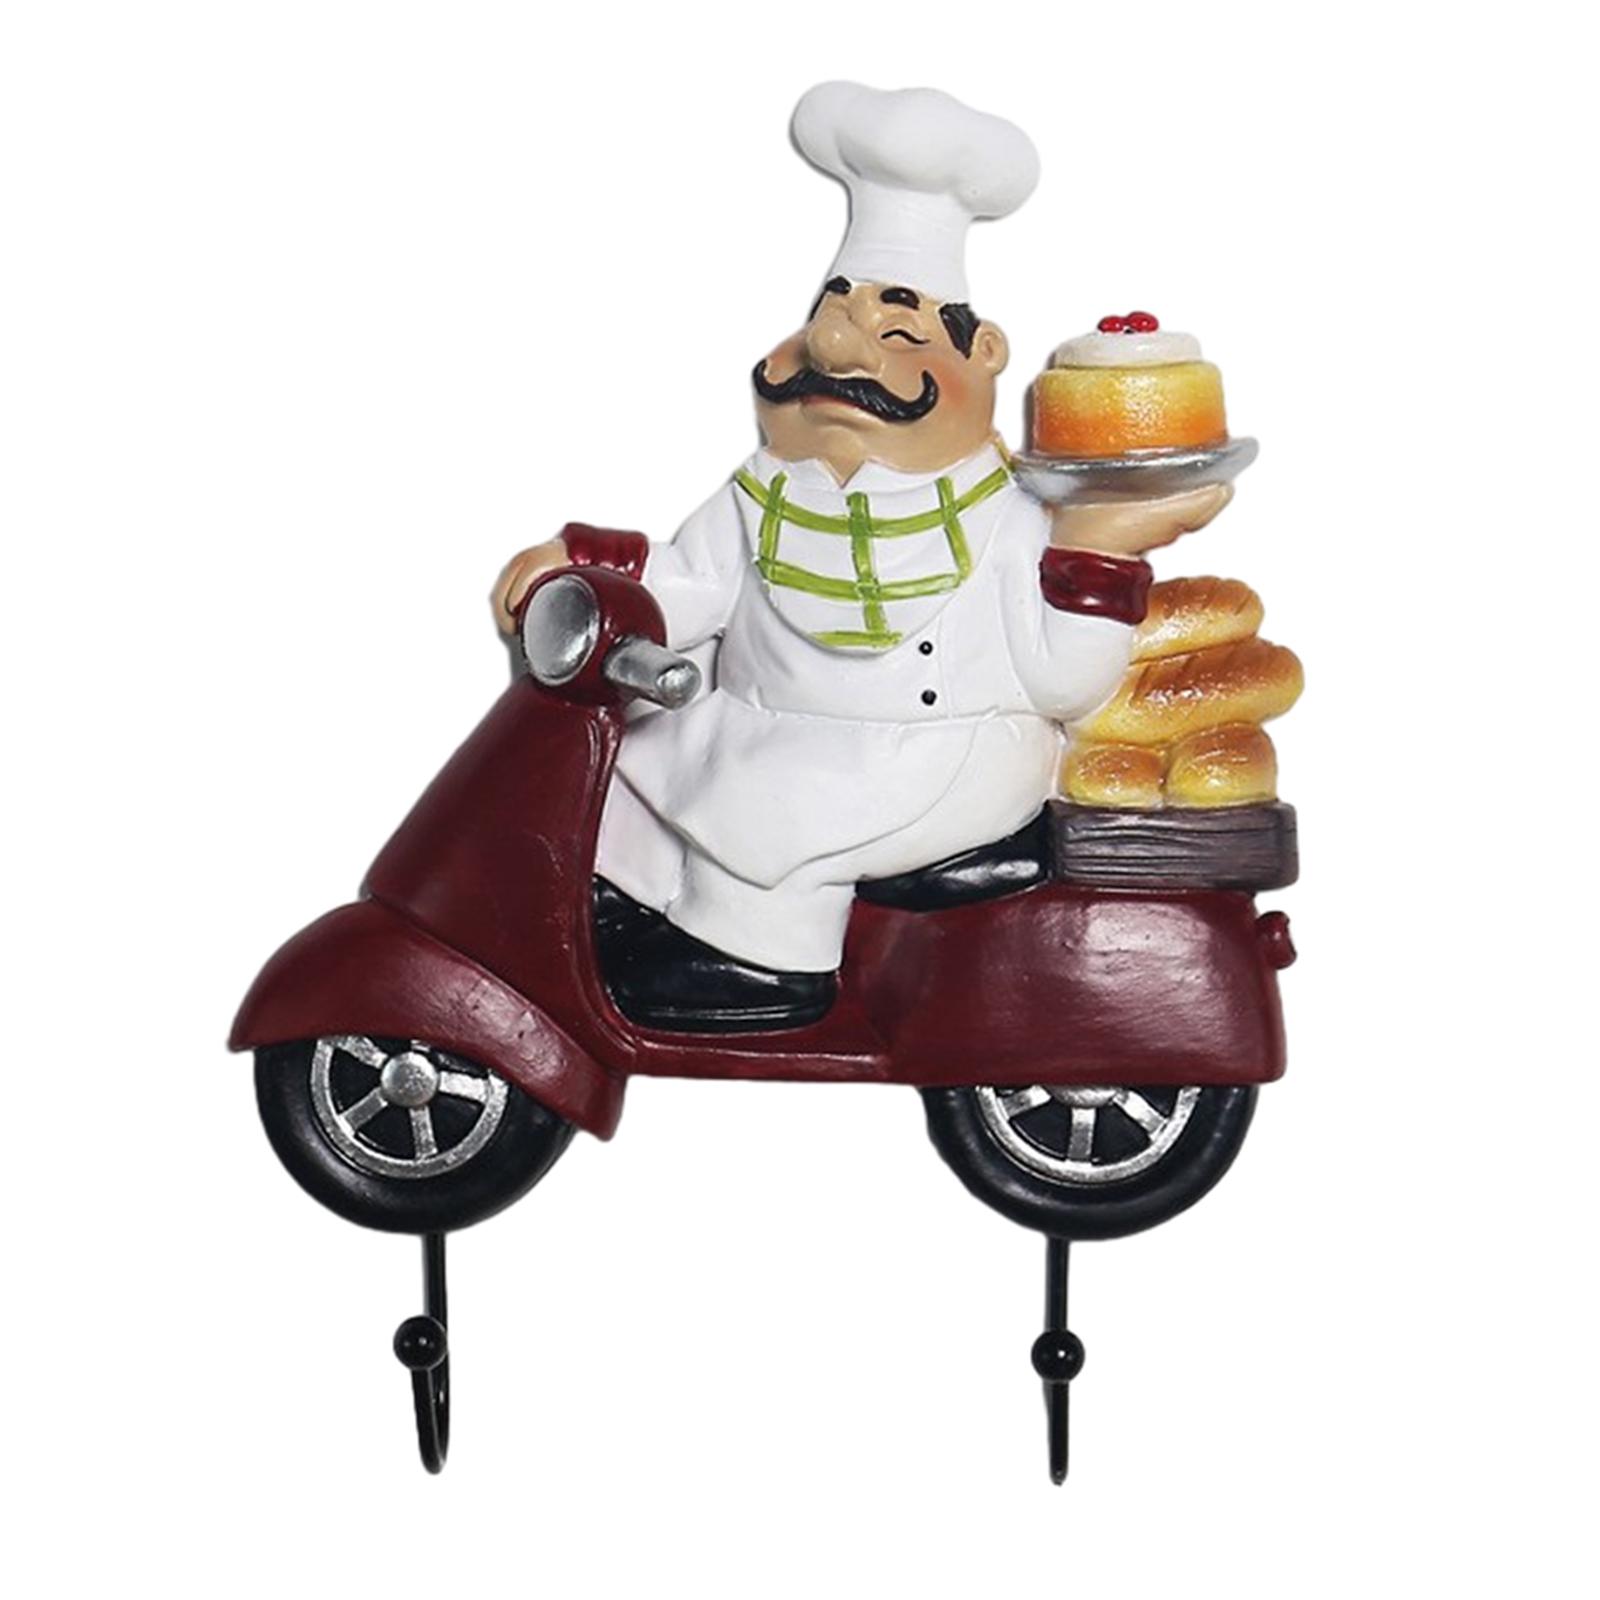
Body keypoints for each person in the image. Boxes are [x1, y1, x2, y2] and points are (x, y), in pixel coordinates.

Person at [492, 82, 1228, 1032]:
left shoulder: (1007, 520)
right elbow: (691, 583)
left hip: (935, 754)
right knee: (633, 759)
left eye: (898, 333)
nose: (841, 356)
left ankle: (761, 962)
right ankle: (634, 902)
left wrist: (1098, 552)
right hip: (763, 723)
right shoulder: (764, 491)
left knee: (776, 818)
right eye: (828, 322)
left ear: (983, 355)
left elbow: (1065, 681)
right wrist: (587, 572)